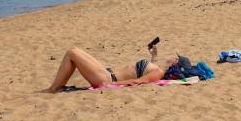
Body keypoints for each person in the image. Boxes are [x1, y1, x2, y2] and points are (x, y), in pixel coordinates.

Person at [44, 44, 178, 93]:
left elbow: (139, 81)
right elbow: (147, 71)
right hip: (106, 72)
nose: (173, 55)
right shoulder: (158, 69)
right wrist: (154, 56)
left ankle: (53, 89)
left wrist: (111, 84)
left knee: (72, 52)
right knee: (74, 52)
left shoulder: (159, 73)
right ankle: (57, 87)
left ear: (175, 62)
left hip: (107, 78)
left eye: (176, 57)